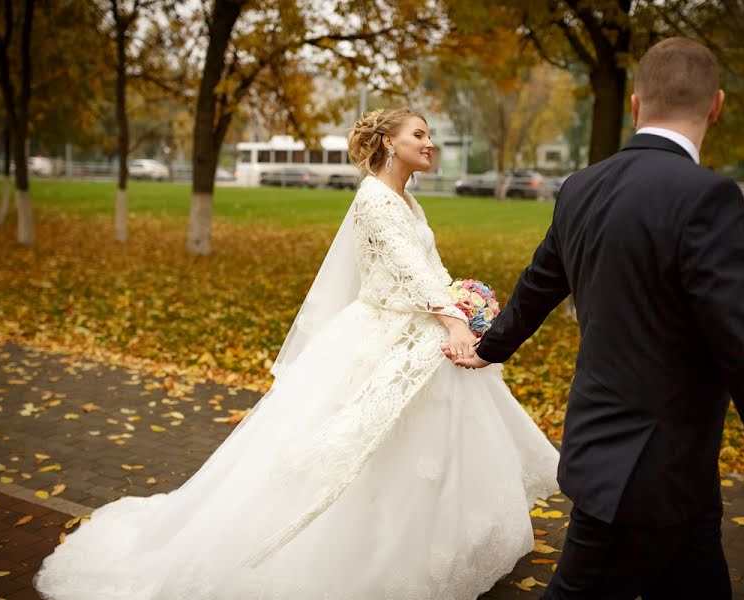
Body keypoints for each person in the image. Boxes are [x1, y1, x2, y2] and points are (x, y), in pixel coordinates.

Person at [32, 107, 560, 599]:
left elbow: (429, 266)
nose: (429, 144)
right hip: (383, 334)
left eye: (428, 136)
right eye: (418, 135)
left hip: (416, 330)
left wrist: (460, 299)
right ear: (388, 144)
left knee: (424, 444)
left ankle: (438, 542)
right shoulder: (374, 198)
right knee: (359, 446)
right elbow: (407, 268)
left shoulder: (405, 198)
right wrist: (451, 318)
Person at [454, 37, 744, 599]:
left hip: (665, 474)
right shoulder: (706, 197)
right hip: (637, 481)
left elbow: (537, 287)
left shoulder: (581, 187)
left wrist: (486, 347)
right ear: (717, 106)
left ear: (635, 105)